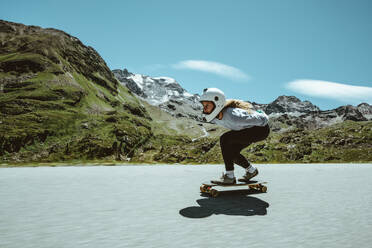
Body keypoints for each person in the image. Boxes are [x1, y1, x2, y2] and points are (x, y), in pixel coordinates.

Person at [199, 88, 270, 184]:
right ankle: (252, 171)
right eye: (203, 105)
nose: (205, 108)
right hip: (246, 131)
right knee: (231, 153)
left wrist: (261, 114)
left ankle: (229, 176)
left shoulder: (234, 116)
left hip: (260, 130)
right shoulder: (213, 117)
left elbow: (262, 119)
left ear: (217, 103)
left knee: (225, 138)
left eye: (207, 105)